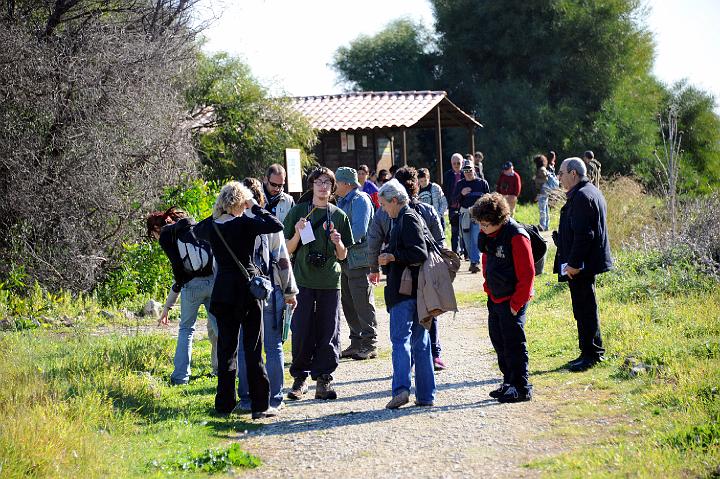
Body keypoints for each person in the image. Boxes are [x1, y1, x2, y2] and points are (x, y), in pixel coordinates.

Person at [193, 181, 284, 418]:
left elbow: (194, 231)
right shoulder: (246, 223)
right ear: (242, 202)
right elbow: (276, 225)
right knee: (253, 349)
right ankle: (260, 406)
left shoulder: (212, 227)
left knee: (226, 351)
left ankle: (224, 405)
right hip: (247, 291)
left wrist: (217, 211)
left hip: (223, 293)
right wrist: (255, 205)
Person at [283, 167, 353, 400]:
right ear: (311, 185)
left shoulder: (339, 216)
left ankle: (324, 379)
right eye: (318, 182)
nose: (323, 186)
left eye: (327, 183)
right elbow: (288, 250)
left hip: (330, 281)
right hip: (302, 279)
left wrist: (338, 242)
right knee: (302, 329)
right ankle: (300, 379)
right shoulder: (299, 212)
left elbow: (343, 256)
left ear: (333, 188)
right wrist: (296, 233)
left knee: (329, 330)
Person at [236, 178, 298, 412]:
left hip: (242, 292)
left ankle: (246, 398)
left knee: (244, 347)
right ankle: (275, 398)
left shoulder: (231, 222)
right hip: (269, 289)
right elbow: (282, 259)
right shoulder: (267, 223)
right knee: (273, 347)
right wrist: (290, 291)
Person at [377, 179, 435, 409]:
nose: (382, 208)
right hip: (416, 291)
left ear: (394, 200)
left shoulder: (407, 218)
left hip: (405, 292)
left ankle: (401, 390)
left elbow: (419, 253)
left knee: (401, 341)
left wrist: (392, 257)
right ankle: (426, 395)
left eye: (383, 204)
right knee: (420, 343)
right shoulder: (404, 218)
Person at [472, 193, 535, 403]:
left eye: (485, 224)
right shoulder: (490, 234)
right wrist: (487, 287)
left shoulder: (516, 235)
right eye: (479, 224)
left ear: (498, 219)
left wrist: (517, 304)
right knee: (499, 341)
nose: (481, 228)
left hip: (512, 300)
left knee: (514, 343)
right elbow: (487, 258)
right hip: (495, 297)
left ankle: (521, 387)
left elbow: (527, 273)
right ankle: (508, 382)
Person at [147, 207, 219, 386]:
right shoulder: (191, 227)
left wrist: (168, 305)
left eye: (152, 234)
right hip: (212, 281)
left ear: (156, 229)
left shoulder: (166, 236)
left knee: (186, 330)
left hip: (192, 286)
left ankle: (180, 377)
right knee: (221, 328)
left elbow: (178, 272)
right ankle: (230, 370)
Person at [554, 158, 613, 372]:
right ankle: (588, 351)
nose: (558, 178)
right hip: (583, 263)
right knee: (584, 308)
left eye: (560, 173)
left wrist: (574, 264)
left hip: (582, 265)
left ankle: (592, 354)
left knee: (585, 309)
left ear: (573, 174)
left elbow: (584, 234)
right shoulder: (589, 191)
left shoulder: (582, 196)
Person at [335, 167, 377, 360]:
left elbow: (358, 230)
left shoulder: (360, 200)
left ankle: (370, 343)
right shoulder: (343, 201)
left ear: (346, 184)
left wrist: (337, 242)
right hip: (344, 259)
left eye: (336, 182)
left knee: (362, 302)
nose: (334, 186)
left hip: (359, 260)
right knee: (348, 302)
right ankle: (356, 342)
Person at [453, 159, 490, 273]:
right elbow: (453, 200)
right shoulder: (460, 184)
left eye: (470, 169)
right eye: (465, 170)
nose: (468, 172)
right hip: (464, 214)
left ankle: (475, 262)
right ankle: (473, 260)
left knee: (476, 238)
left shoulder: (482, 183)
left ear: (475, 170)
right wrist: (461, 194)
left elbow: (489, 199)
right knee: (467, 240)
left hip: (478, 216)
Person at [443, 153, 465, 257]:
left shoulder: (466, 174)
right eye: (454, 163)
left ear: (462, 163)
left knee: (465, 230)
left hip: (464, 206)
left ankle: (466, 253)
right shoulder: (447, 175)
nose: (456, 165)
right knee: (455, 231)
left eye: (458, 163)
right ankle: (455, 253)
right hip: (453, 206)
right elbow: (446, 190)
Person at [533, 154, 551, 231]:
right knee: (545, 209)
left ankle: (542, 225)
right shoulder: (543, 168)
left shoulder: (541, 169)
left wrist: (535, 179)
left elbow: (545, 179)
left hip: (543, 191)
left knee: (542, 209)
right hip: (545, 191)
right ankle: (546, 225)